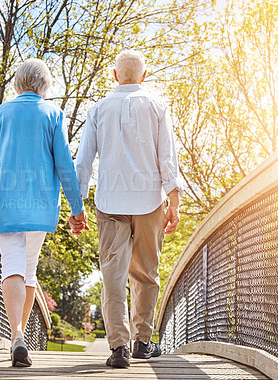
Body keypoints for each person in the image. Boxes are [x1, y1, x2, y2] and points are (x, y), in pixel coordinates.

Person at [71, 50, 183, 368]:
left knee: (112, 274)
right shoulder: (158, 106)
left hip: (110, 203)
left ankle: (118, 348)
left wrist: (77, 207)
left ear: (115, 75)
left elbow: (84, 161)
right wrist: (174, 201)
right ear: (144, 76)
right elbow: (167, 158)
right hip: (149, 202)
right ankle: (142, 342)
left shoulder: (98, 109)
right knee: (146, 273)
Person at [0, 58, 88, 367]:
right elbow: (65, 165)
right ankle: (21, 333)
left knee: (11, 263)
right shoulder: (53, 114)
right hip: (39, 204)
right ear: (43, 85)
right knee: (29, 267)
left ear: (17, 82)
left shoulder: (0, 114)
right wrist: (77, 209)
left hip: (6, 202)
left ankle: (16, 335)